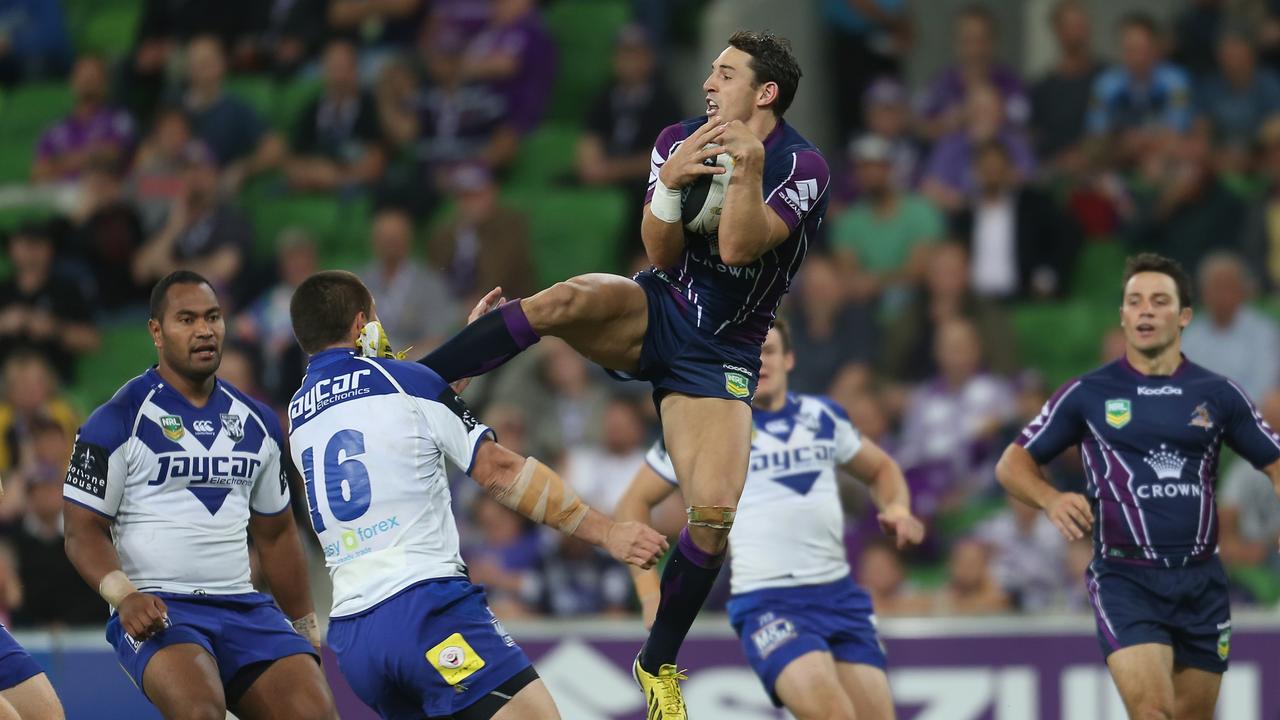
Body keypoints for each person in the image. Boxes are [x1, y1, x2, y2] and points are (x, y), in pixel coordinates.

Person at [416, 31, 827, 718]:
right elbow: (660, 251)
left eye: (724, 74)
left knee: (713, 517)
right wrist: (669, 183)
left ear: (764, 93)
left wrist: (746, 168)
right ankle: (413, 384)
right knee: (562, 299)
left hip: (723, 353)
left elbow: (738, 243)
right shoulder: (678, 136)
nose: (707, 84)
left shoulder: (801, 164)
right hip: (662, 306)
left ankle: (657, 662)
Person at [285, 271, 667, 720]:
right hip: (424, 610)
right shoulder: (405, 383)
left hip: (353, 636)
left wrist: (472, 345)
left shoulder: (297, 413)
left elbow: (403, 411)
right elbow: (501, 472)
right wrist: (609, 532)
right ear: (360, 323)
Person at [995, 253, 1280, 719]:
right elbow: (1012, 464)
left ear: (1184, 316)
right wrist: (1050, 497)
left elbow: (1275, 461)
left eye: (1160, 300)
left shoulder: (1219, 394)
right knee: (1151, 711)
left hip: (1201, 580)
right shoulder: (1086, 393)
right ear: (1123, 316)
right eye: (1135, 301)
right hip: (1125, 579)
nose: (1146, 310)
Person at [615, 319, 924, 720]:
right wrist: (649, 591)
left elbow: (882, 470)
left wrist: (897, 508)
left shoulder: (823, 415)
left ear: (790, 359)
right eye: (752, 351)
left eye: (771, 350)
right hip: (767, 602)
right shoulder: (706, 426)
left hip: (840, 597)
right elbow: (632, 504)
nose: (761, 361)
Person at [62, 271, 338, 720]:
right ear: (156, 331)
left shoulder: (259, 422)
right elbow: (81, 531)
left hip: (245, 609)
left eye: (212, 317)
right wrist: (124, 596)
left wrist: (305, 627)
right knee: (199, 714)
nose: (204, 330)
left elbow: (276, 534)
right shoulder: (116, 420)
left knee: (316, 715)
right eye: (186, 319)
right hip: (159, 610)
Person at [1181, 252, 1280, 401]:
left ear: (1242, 290)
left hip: (1250, 412)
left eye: (1227, 286)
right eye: (1215, 287)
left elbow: (1265, 384)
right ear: (1204, 293)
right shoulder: (1191, 336)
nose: (1221, 295)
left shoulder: (1264, 332)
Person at [31, 55, 135, 184]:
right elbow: (38, 174)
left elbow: (114, 155)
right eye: (83, 77)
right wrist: (93, 154)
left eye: (93, 77)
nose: (87, 82)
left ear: (105, 83)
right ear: (72, 82)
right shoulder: (54, 129)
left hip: (104, 191)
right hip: (61, 194)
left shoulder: (118, 119)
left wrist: (60, 163)